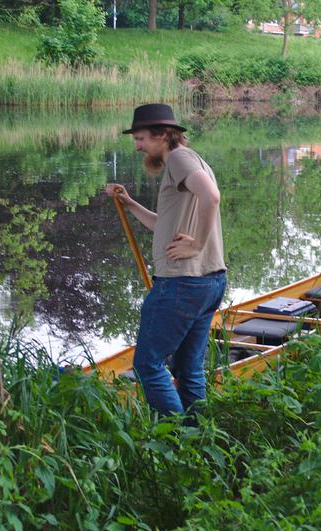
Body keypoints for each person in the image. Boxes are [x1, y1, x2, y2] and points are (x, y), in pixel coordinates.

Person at [105, 103, 226, 417]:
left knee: (147, 365)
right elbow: (163, 224)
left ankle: (178, 440)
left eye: (141, 138)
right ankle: (197, 440)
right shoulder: (190, 160)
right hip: (207, 282)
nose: (137, 146)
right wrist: (129, 203)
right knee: (189, 370)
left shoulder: (179, 158)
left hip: (182, 283)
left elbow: (211, 196)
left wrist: (197, 244)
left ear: (162, 135)